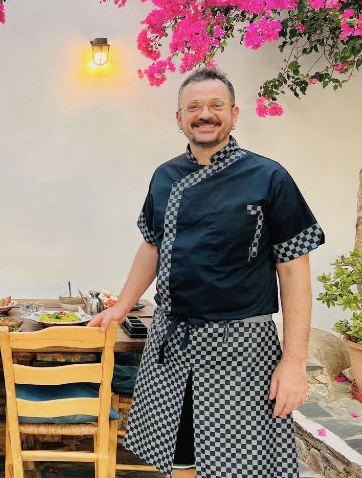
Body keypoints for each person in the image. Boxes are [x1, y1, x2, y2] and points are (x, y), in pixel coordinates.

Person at [89, 67, 324, 477]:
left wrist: (293, 362)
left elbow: (293, 272)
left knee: (242, 465)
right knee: (177, 459)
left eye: (216, 105)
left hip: (242, 348)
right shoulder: (164, 176)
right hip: (173, 342)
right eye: (193, 107)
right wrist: (121, 307)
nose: (205, 114)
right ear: (179, 118)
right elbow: (152, 245)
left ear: (234, 114)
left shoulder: (269, 177)